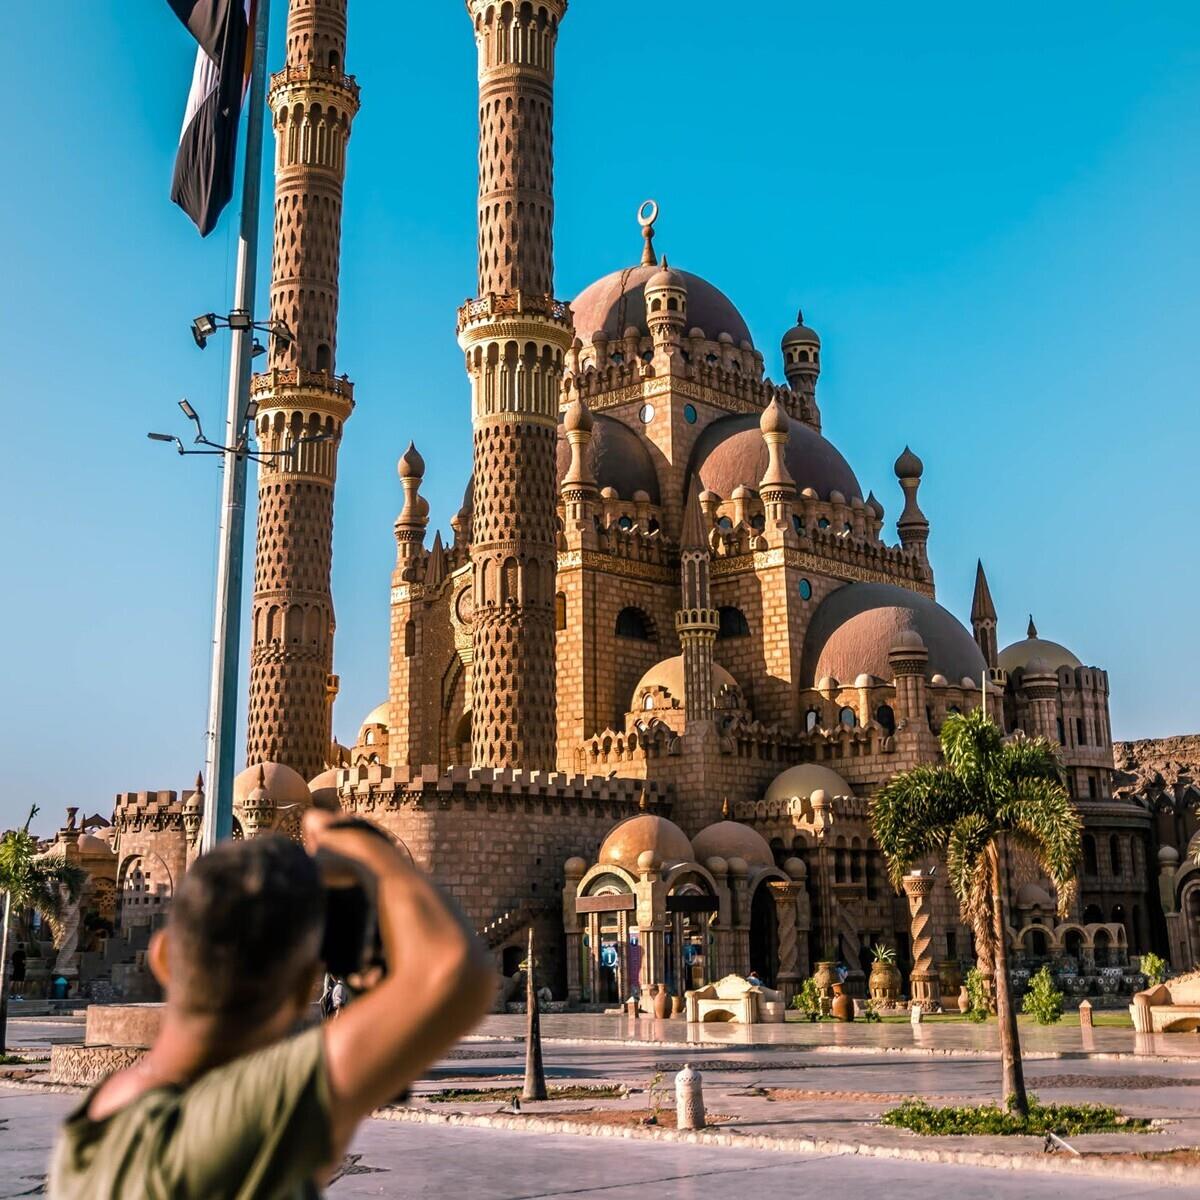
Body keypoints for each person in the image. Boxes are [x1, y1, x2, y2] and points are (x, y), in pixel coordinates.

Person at [50, 810, 494, 1198]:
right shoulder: (241, 1120)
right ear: (305, 988)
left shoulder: (96, 1124)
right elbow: (452, 972)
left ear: (163, 956)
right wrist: (362, 845)